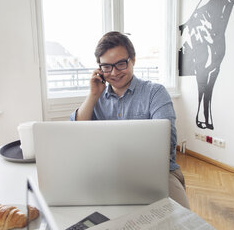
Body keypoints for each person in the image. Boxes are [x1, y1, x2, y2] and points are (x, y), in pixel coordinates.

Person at [70, 31, 190, 209]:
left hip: (158, 173)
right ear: (99, 69)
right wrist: (93, 94)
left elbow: (167, 142)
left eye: (120, 64)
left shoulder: (155, 92)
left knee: (182, 220)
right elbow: (75, 134)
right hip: (108, 172)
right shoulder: (97, 97)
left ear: (133, 60)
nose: (114, 72)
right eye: (107, 67)